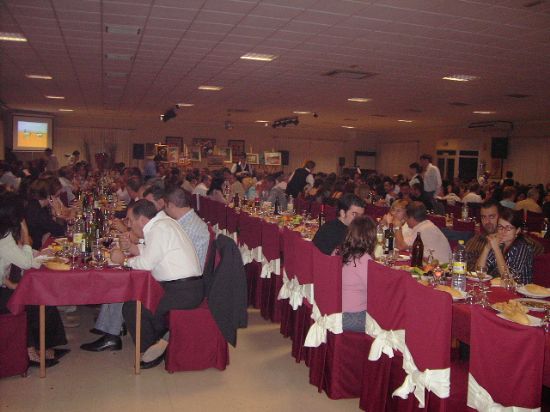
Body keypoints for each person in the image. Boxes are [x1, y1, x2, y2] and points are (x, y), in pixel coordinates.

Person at [111, 200, 203, 369]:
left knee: (133, 307)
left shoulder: (159, 229)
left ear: (142, 220)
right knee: (136, 303)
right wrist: (131, 247)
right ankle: (159, 341)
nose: (129, 225)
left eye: (130, 221)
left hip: (184, 292)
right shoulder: (162, 224)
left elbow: (147, 263)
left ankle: (153, 347)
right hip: (183, 288)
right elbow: (152, 253)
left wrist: (123, 260)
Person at [140, 187, 210, 364]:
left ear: (170, 205)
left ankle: (161, 340)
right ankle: (159, 339)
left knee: (146, 301)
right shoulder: (184, 222)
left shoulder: (189, 227)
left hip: (191, 283)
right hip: (186, 280)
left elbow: (185, 265)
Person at [0, 193, 68, 367]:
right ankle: (31, 350)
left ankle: (45, 345)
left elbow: (22, 255)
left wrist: (39, 253)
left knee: (41, 297)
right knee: (35, 299)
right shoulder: (5, 237)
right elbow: (26, 261)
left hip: (4, 283)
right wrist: (26, 234)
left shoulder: (6, 233)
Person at [476, 207, 534, 285]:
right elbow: (479, 272)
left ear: (517, 230)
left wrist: (496, 250)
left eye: (508, 228)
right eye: (500, 227)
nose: (503, 231)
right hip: (498, 288)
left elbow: (509, 279)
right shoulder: (499, 244)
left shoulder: (523, 248)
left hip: (520, 292)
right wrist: (487, 247)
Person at [341, 215, 377, 332]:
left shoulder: (338, 252)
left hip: (334, 311)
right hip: (352, 317)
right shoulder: (364, 259)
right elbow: (374, 292)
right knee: (391, 320)